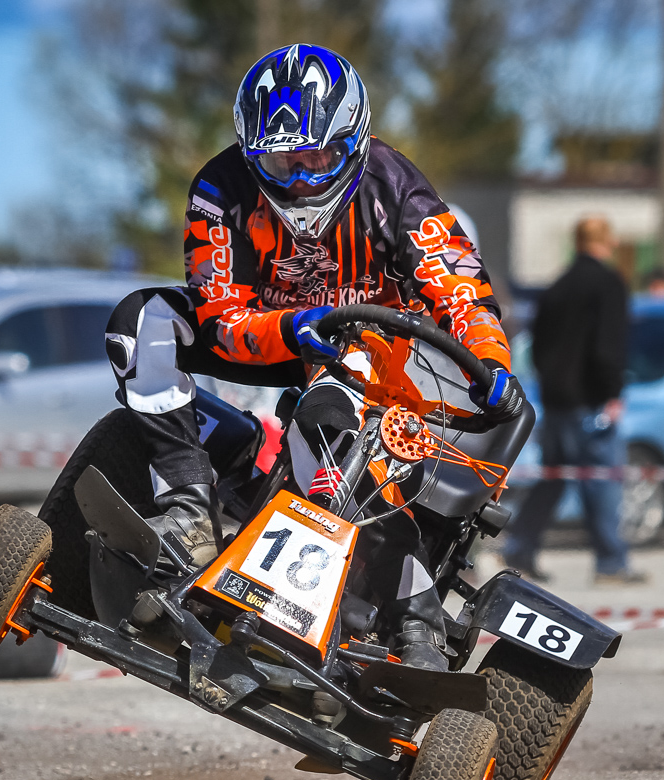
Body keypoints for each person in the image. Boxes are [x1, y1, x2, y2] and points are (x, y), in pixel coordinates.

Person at [101, 44, 524, 671]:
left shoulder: (399, 189)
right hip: (266, 330)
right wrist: (291, 328)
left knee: (327, 418)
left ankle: (413, 617)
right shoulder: (218, 188)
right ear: (252, 153)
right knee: (140, 325)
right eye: (281, 161)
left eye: (317, 158)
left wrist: (491, 362)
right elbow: (218, 316)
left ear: (353, 142)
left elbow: (462, 291)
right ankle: (189, 511)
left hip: (366, 342)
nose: (300, 179)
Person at [501, 216, 648, 585]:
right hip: (591, 401)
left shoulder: (557, 286)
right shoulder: (609, 284)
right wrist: (612, 393)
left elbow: (537, 347)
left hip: (556, 401)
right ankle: (611, 563)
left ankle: (520, 548)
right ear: (607, 241)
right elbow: (608, 345)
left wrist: (552, 384)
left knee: (552, 478)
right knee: (601, 480)